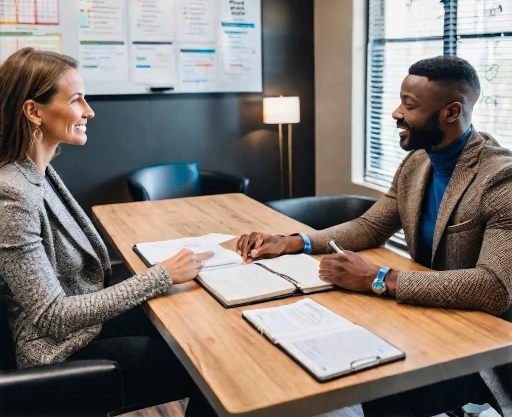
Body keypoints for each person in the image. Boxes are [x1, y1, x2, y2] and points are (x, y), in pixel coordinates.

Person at [238, 55, 512, 417]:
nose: (396, 113)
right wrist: (292, 242)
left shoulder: (500, 180)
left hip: (483, 350)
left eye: (409, 105)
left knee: (367, 392)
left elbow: (493, 288)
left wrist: (377, 278)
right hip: (425, 321)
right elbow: (370, 226)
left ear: (450, 112)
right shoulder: (417, 162)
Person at [0, 48, 216, 415]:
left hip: (82, 326)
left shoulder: (37, 171)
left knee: (195, 319)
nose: (89, 110)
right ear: (34, 111)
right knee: (207, 361)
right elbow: (52, 316)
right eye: (76, 99)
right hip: (58, 350)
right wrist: (160, 275)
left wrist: (161, 279)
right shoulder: (12, 192)